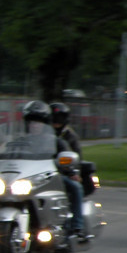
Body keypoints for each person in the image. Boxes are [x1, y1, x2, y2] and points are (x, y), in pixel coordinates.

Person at [22, 100, 87, 242]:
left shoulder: (57, 141)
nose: (35, 125)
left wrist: (72, 172)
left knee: (75, 187)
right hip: (29, 177)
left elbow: (70, 157)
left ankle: (77, 227)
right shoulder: (21, 141)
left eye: (38, 122)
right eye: (32, 122)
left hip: (53, 176)